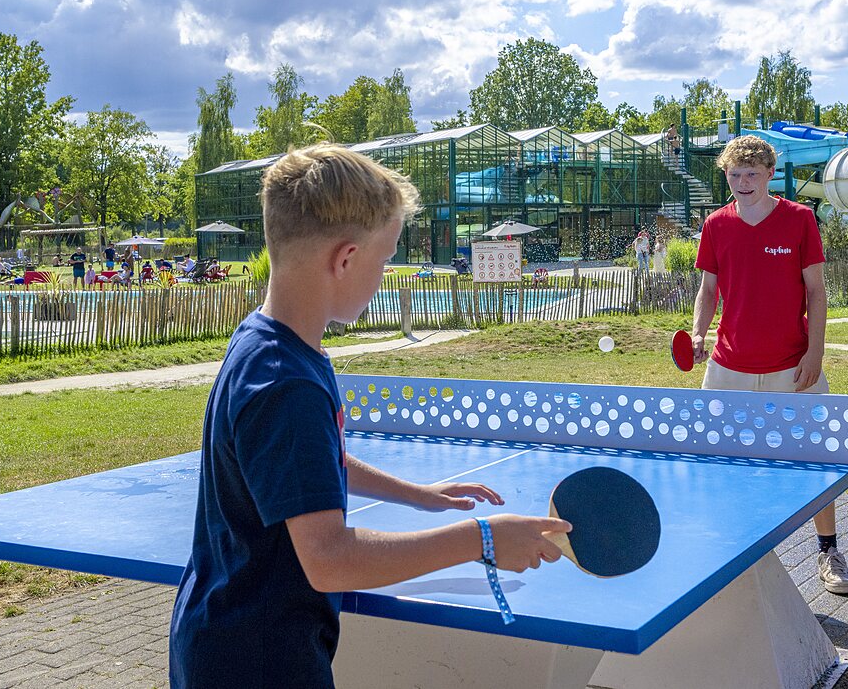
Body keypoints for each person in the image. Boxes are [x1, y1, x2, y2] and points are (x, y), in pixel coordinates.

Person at [168, 144, 568, 688]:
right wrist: (482, 538)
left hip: (229, 638)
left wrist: (417, 494)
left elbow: (309, 463)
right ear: (346, 259)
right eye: (384, 261)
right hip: (256, 661)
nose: (384, 275)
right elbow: (329, 560)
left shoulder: (268, 343)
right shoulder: (287, 384)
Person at [687, 134, 848, 596]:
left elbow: (816, 291)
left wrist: (815, 352)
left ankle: (829, 552)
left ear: (769, 175)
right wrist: (699, 332)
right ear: (726, 175)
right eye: (734, 175)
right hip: (728, 367)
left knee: (817, 459)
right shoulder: (716, 224)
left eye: (752, 174)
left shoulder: (799, 219)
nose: (743, 183)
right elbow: (708, 290)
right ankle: (727, 552)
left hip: (792, 366)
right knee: (717, 461)